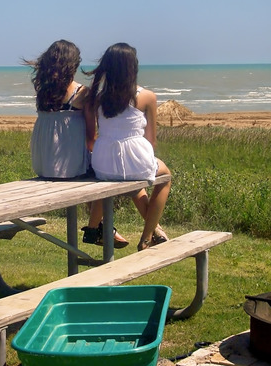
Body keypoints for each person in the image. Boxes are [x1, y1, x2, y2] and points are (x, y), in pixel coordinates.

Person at [25, 39, 129, 248]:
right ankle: (101, 228)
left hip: (43, 163)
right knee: (102, 175)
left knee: (93, 172)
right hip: (68, 167)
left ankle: (101, 229)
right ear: (72, 65)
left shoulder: (43, 92)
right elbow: (91, 136)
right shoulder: (82, 93)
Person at [84, 42, 172, 251]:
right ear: (133, 67)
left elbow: (92, 136)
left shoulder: (96, 97)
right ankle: (147, 236)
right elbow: (151, 140)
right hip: (134, 156)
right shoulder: (147, 96)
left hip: (103, 160)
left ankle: (93, 227)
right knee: (165, 177)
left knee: (130, 180)